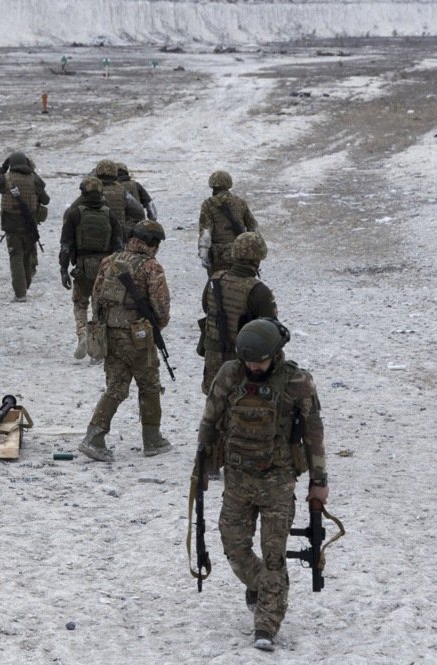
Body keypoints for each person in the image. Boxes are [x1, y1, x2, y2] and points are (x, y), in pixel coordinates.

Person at [194, 318, 328, 651]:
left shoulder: (298, 383)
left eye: (260, 360)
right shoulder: (229, 375)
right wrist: (201, 471)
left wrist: (319, 481)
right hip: (237, 480)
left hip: (278, 482)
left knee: (273, 555)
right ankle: (262, 586)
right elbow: (209, 422)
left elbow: (314, 434)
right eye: (248, 360)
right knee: (234, 547)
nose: (253, 366)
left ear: (276, 353)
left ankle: (266, 625)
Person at [79, 221, 171, 462]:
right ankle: (152, 439)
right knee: (149, 385)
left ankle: (94, 436)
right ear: (152, 243)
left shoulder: (110, 261)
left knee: (116, 387)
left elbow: (96, 296)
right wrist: (156, 327)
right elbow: (161, 305)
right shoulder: (152, 267)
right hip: (137, 335)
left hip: (109, 333)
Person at [200, 231, 277, 395]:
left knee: (215, 407)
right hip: (246, 361)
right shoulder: (259, 291)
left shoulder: (215, 280)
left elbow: (206, 308)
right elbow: (272, 332)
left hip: (214, 357)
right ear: (258, 258)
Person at [59, 176, 123, 359]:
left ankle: (82, 334)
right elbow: (118, 245)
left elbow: (66, 245)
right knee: (100, 305)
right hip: (105, 267)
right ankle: (97, 347)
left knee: (80, 303)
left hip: (81, 267)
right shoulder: (110, 214)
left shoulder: (74, 214)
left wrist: (63, 269)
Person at [0, 151, 50, 302]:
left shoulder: (5, 179)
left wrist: (2, 167)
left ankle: (20, 294)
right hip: (30, 226)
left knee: (16, 257)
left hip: (12, 225)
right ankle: (25, 286)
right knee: (27, 256)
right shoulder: (34, 179)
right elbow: (46, 200)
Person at [198, 170, 258, 276]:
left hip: (218, 256)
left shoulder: (208, 205)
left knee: (218, 287)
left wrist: (204, 253)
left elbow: (206, 232)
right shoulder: (240, 202)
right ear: (229, 184)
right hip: (239, 252)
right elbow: (253, 228)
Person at [115, 162, 156, 237]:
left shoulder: (110, 188)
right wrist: (152, 223)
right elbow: (150, 206)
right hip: (137, 228)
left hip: (117, 228)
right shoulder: (136, 185)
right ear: (127, 173)